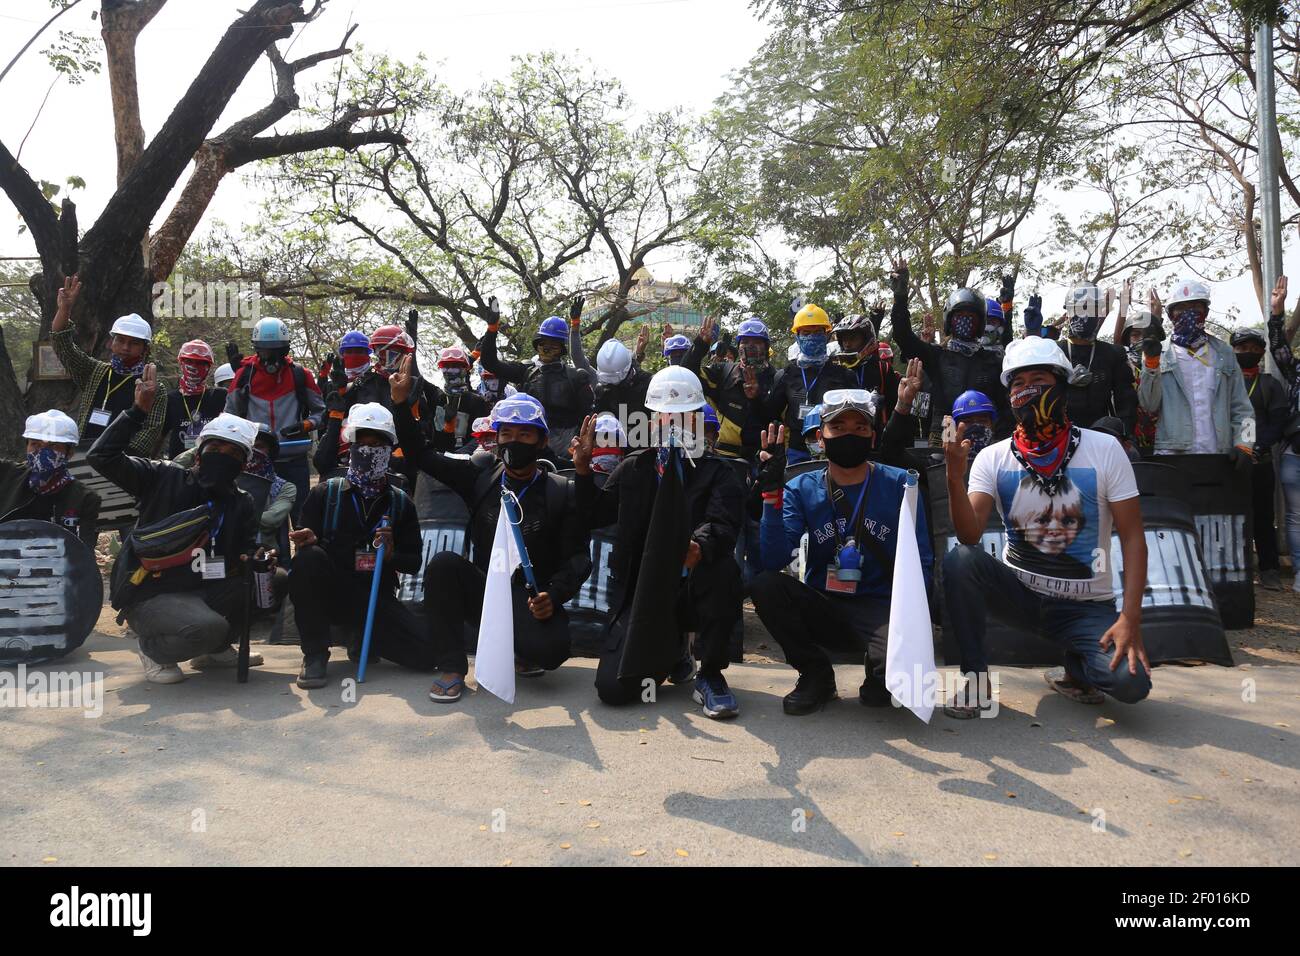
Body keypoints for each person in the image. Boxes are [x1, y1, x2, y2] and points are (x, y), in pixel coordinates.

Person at [942, 337, 1151, 717]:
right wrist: (955, 479)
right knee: (961, 560)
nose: (1026, 391)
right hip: (1019, 595)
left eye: (1038, 379)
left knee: (1131, 685)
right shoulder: (992, 457)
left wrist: (1130, 618)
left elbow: (1134, 537)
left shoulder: (1104, 450)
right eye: (1017, 384)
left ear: (1063, 386)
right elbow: (970, 536)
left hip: (1086, 607)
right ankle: (975, 681)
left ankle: (1076, 667)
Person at [389, 363, 591, 703]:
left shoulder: (560, 491)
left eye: (525, 434)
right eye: (507, 434)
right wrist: (399, 404)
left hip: (530, 600)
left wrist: (552, 598)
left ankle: (519, 651)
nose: (515, 442)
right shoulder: (479, 476)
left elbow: (579, 559)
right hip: (485, 594)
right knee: (443, 565)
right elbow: (422, 455)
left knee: (552, 650)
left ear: (541, 441)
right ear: (496, 439)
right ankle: (452, 667)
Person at [573, 367, 745, 718]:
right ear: (651, 419)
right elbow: (595, 515)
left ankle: (710, 675)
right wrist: (582, 470)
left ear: (698, 419)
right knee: (613, 690)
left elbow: (723, 524)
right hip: (644, 594)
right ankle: (672, 650)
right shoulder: (635, 468)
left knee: (724, 570)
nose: (674, 423)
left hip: (691, 588)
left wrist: (698, 546)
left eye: (684, 416)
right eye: (665, 415)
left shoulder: (720, 472)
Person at [749, 389, 933, 715]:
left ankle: (880, 673)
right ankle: (816, 675)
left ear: (873, 436)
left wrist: (916, 625)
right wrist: (771, 495)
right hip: (825, 604)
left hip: (882, 608)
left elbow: (922, 559)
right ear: (821, 438)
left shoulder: (902, 485)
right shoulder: (801, 487)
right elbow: (774, 560)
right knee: (766, 584)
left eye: (860, 428)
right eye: (839, 427)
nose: (850, 434)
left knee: (898, 689)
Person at [89, 370, 267, 684]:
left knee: (269, 582)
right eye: (215, 450)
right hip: (152, 592)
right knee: (209, 627)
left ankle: (214, 651)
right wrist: (137, 411)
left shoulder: (241, 501)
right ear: (199, 453)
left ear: (243, 464)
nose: (221, 458)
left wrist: (258, 557)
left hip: (204, 589)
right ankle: (153, 649)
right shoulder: (161, 477)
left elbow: (246, 548)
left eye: (233, 454)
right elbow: (101, 456)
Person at [287, 402, 435, 689]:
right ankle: (315, 653)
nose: (369, 451)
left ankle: (361, 632)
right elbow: (307, 554)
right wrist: (310, 542)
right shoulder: (324, 494)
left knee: (427, 655)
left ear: (390, 449)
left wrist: (392, 555)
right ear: (350, 446)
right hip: (331, 593)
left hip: (374, 596)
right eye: (362, 443)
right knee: (307, 560)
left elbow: (413, 561)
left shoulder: (401, 501)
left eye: (378, 444)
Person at [890, 262, 1011, 443]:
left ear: (980, 323)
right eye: (960, 317)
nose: (965, 322)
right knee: (942, 466)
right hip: (945, 433)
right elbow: (903, 336)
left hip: (986, 437)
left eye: (971, 318)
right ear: (949, 321)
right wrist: (900, 298)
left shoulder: (992, 361)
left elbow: (1004, 408)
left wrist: (1000, 443)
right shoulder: (936, 356)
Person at [1137, 279, 1253, 467]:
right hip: (1172, 456)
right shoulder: (1160, 353)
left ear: (1205, 312)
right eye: (1181, 308)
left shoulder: (1224, 353)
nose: (1188, 313)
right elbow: (1148, 405)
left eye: (1195, 306)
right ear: (1171, 315)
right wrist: (1151, 362)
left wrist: (1245, 445)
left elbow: (1244, 408)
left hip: (1219, 456)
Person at [51, 275, 167, 454]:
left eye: (134, 343)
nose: (125, 348)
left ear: (145, 349)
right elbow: (62, 344)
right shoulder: (95, 371)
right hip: (83, 457)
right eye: (120, 340)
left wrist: (117, 463)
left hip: (122, 466)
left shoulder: (154, 389)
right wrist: (65, 309)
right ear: (110, 343)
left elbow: (148, 434)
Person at [225, 317, 325, 523]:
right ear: (256, 349)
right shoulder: (245, 375)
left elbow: (321, 412)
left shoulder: (300, 375)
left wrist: (305, 425)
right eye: (264, 351)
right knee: (256, 520)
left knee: (302, 520)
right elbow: (229, 417)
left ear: (286, 350)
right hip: (255, 463)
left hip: (293, 460)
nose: (271, 358)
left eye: (277, 351)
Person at [477, 297, 594, 461]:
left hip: (567, 453)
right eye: (542, 344)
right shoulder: (524, 371)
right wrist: (492, 328)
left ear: (561, 350)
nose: (546, 349)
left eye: (553, 345)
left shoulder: (576, 377)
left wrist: (578, 449)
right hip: (530, 448)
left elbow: (588, 417)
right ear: (536, 345)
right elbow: (490, 363)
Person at [1228, 327, 1289, 590]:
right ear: (1232, 352)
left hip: (1261, 461)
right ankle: (1234, 569)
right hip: (1229, 462)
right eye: (1242, 349)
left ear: (1262, 352)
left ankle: (1269, 570)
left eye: (1253, 348)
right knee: (1231, 516)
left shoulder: (1269, 384)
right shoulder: (1225, 382)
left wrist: (1261, 446)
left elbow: (1278, 422)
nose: (1247, 353)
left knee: (1264, 517)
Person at [762, 298, 857, 464]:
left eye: (817, 332)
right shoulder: (786, 375)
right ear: (797, 337)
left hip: (835, 449)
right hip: (796, 452)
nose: (812, 337)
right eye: (806, 333)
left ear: (827, 336)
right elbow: (769, 414)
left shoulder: (844, 375)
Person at [0, 410, 100, 547]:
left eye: (53, 446)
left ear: (69, 453)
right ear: (27, 446)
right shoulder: (6, 474)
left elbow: (84, 551)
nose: (42, 452)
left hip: (55, 565)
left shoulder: (85, 498)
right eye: (36, 444)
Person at [1050, 282, 1137, 432]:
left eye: (1091, 308)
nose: (1085, 314)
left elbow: (1126, 403)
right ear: (1068, 313)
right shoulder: (1053, 352)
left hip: (1102, 438)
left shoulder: (1113, 354)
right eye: (1079, 308)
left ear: (1099, 313)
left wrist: (1125, 437)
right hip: (1060, 437)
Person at [1263, 276, 1300, 592]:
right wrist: (1277, 312)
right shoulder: (1296, 371)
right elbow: (1278, 347)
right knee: (1296, 518)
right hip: (1295, 453)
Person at [161, 340, 228, 458]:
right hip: (177, 466)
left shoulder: (219, 396)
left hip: (210, 463)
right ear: (181, 363)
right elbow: (159, 436)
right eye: (189, 361)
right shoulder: (170, 399)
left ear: (209, 367)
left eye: (200, 363)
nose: (193, 367)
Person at [432, 345, 491, 452]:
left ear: (465, 369)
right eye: (446, 366)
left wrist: (458, 456)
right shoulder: (438, 399)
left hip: (468, 461)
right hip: (438, 460)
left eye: (455, 366)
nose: (450, 371)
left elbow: (481, 437)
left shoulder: (477, 402)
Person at [950, 389, 998, 466]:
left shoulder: (1004, 456)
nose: (976, 426)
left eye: (982, 421)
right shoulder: (947, 462)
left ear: (992, 424)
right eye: (968, 422)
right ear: (956, 427)